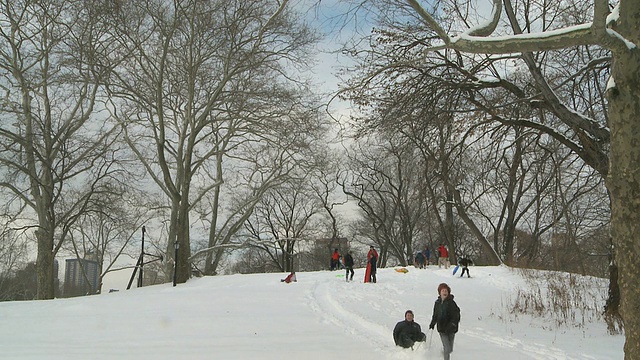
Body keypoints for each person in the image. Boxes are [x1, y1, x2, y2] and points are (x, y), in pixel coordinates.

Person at [429, 283, 460, 360]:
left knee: (450, 349)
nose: (444, 292)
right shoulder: (437, 303)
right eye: (443, 291)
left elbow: (456, 316)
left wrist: (453, 324)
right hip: (442, 329)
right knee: (447, 348)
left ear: (448, 292)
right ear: (440, 292)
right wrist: (432, 323)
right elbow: (435, 314)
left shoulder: (452, 303)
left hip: (451, 329)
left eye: (446, 291)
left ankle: (443, 353)